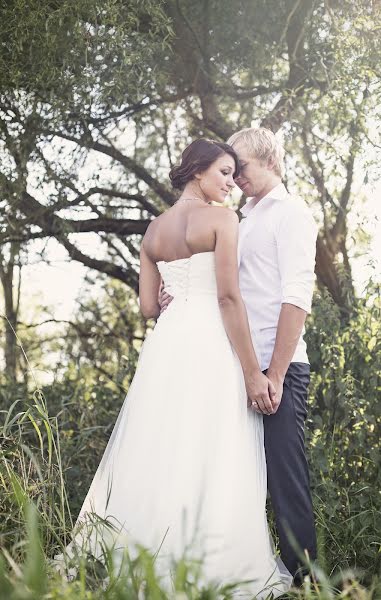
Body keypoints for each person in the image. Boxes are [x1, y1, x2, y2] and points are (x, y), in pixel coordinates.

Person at [59, 138, 292, 598]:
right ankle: (211, 564)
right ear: (198, 171)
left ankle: (142, 555)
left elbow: (148, 306)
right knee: (214, 444)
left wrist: (173, 294)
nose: (231, 183)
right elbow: (228, 297)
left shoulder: (153, 230)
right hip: (212, 340)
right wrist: (252, 370)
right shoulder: (224, 219)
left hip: (169, 343)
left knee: (160, 445)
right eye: (224, 173)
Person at [228, 127, 318, 582]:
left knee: (285, 476)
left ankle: (305, 582)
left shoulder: (293, 214)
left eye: (240, 165)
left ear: (268, 161)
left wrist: (276, 375)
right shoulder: (242, 218)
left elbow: (296, 296)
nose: (234, 173)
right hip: (240, 366)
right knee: (238, 473)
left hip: (278, 365)